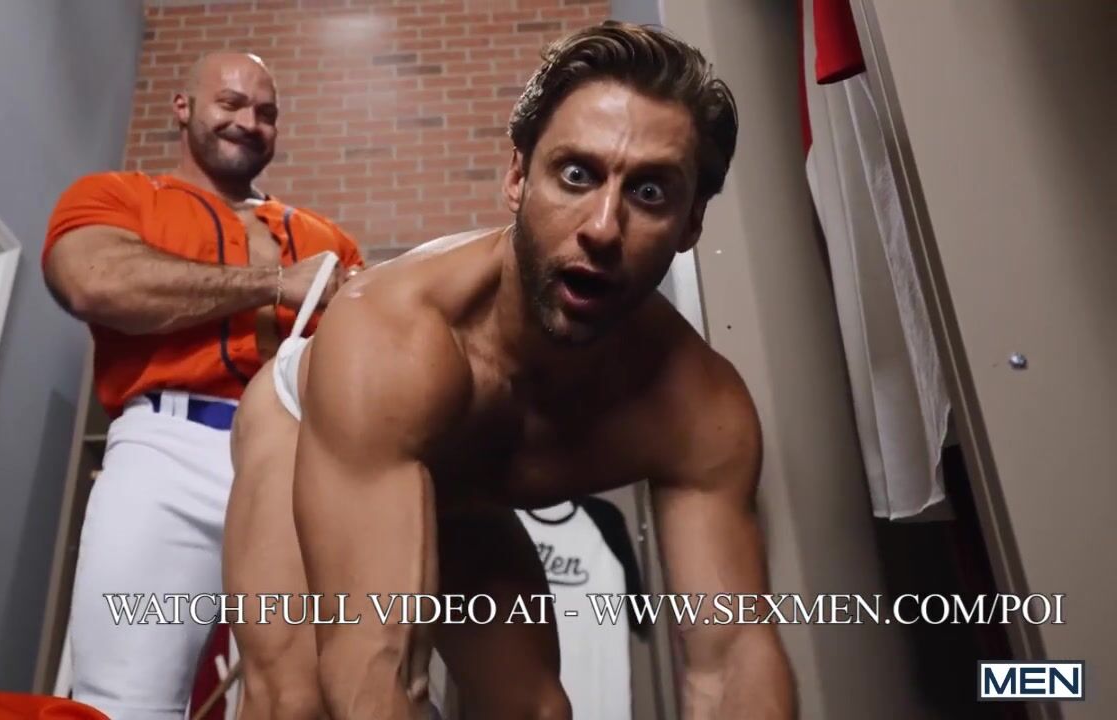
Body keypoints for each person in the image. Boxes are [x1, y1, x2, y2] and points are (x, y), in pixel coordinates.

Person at [224, 22, 797, 720]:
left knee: (534, 711)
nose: (603, 227)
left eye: (650, 192)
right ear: (518, 177)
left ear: (692, 222)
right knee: (298, 701)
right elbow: (370, 666)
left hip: (462, 488)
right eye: (576, 175)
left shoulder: (699, 412)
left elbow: (732, 657)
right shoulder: (393, 334)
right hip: (310, 425)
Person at [41, 52, 363, 719]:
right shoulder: (116, 196)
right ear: (183, 107)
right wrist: (277, 283)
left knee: (305, 698)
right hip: (165, 448)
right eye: (231, 103)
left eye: (266, 113)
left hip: (301, 462)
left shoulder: (327, 239)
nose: (249, 122)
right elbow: (93, 282)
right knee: (126, 699)